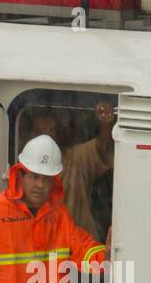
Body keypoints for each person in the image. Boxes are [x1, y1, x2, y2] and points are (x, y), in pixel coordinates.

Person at [0, 134, 106, 283]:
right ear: (20, 174)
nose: (40, 185)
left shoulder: (59, 217)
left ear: (54, 182)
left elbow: (85, 251)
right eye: (35, 177)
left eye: (46, 179)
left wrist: (109, 255)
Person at [24, 102, 115, 244]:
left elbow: (103, 148)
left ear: (59, 133)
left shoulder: (76, 159)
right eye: (41, 131)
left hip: (80, 248)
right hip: (43, 250)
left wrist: (106, 124)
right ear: (31, 137)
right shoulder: (23, 168)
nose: (46, 137)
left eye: (51, 130)